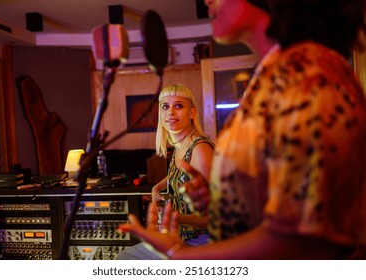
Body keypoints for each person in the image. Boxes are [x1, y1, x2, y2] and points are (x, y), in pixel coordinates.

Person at [119, 0, 366, 260]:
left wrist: (178, 255)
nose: (207, 1)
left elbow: (307, 239)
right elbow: (268, 204)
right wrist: (221, 202)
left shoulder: (308, 75)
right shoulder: (272, 75)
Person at [115, 83, 215, 259]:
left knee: (126, 259)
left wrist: (172, 218)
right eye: (165, 107)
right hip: (179, 235)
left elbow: (211, 216)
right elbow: (178, 174)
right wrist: (156, 188)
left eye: (178, 106)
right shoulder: (180, 147)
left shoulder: (200, 149)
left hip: (203, 239)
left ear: (192, 113)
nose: (171, 112)